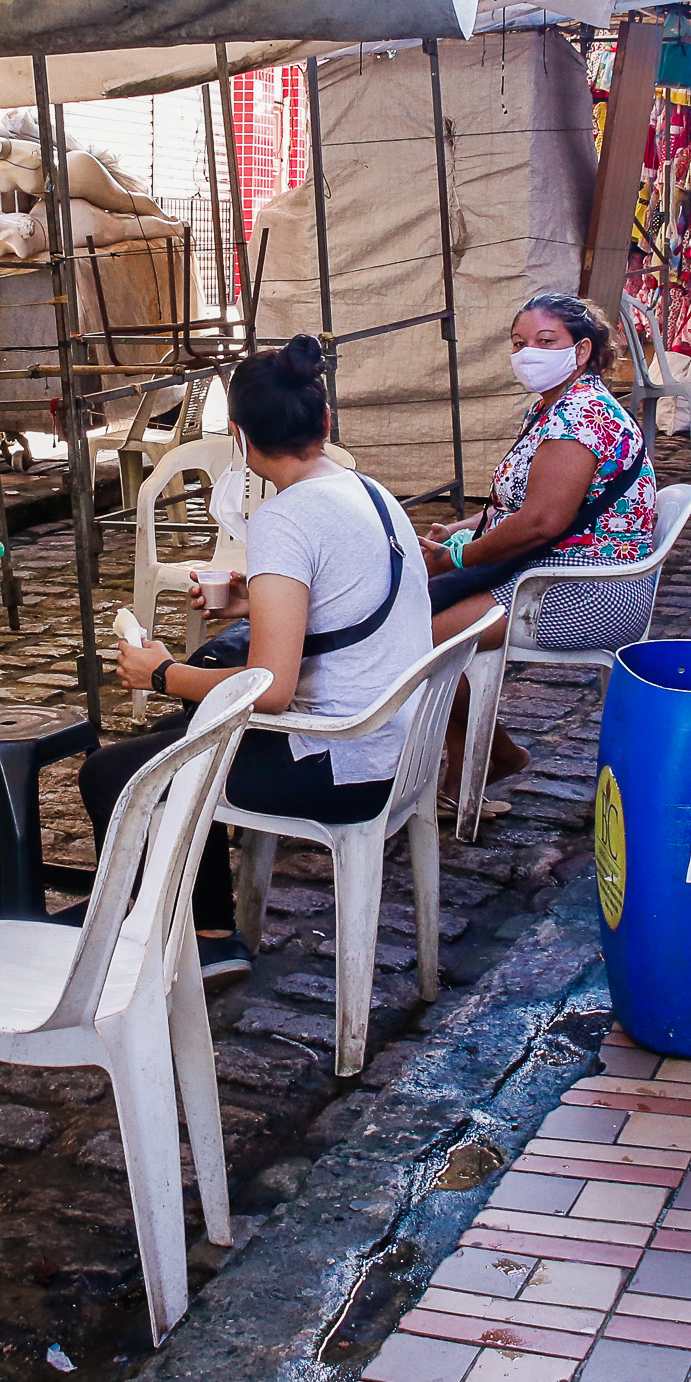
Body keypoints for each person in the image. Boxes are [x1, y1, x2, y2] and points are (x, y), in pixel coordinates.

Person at [88, 335, 433, 986]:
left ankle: (184, 939)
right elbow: (347, 601)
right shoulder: (369, 491)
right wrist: (254, 601)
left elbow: (269, 690)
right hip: (397, 742)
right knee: (172, 742)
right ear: (324, 423)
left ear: (240, 439)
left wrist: (159, 672)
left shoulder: (287, 518)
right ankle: (212, 930)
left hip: (338, 760)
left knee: (115, 775)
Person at [427, 294, 658, 791]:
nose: (528, 352)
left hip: (583, 586)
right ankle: (474, 756)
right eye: (519, 343)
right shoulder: (555, 407)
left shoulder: (580, 418)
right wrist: (463, 529)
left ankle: (488, 756)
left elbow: (541, 522)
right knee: (415, 613)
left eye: (544, 341)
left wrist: (460, 556)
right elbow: (520, 506)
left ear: (580, 351)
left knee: (415, 642)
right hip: (546, 569)